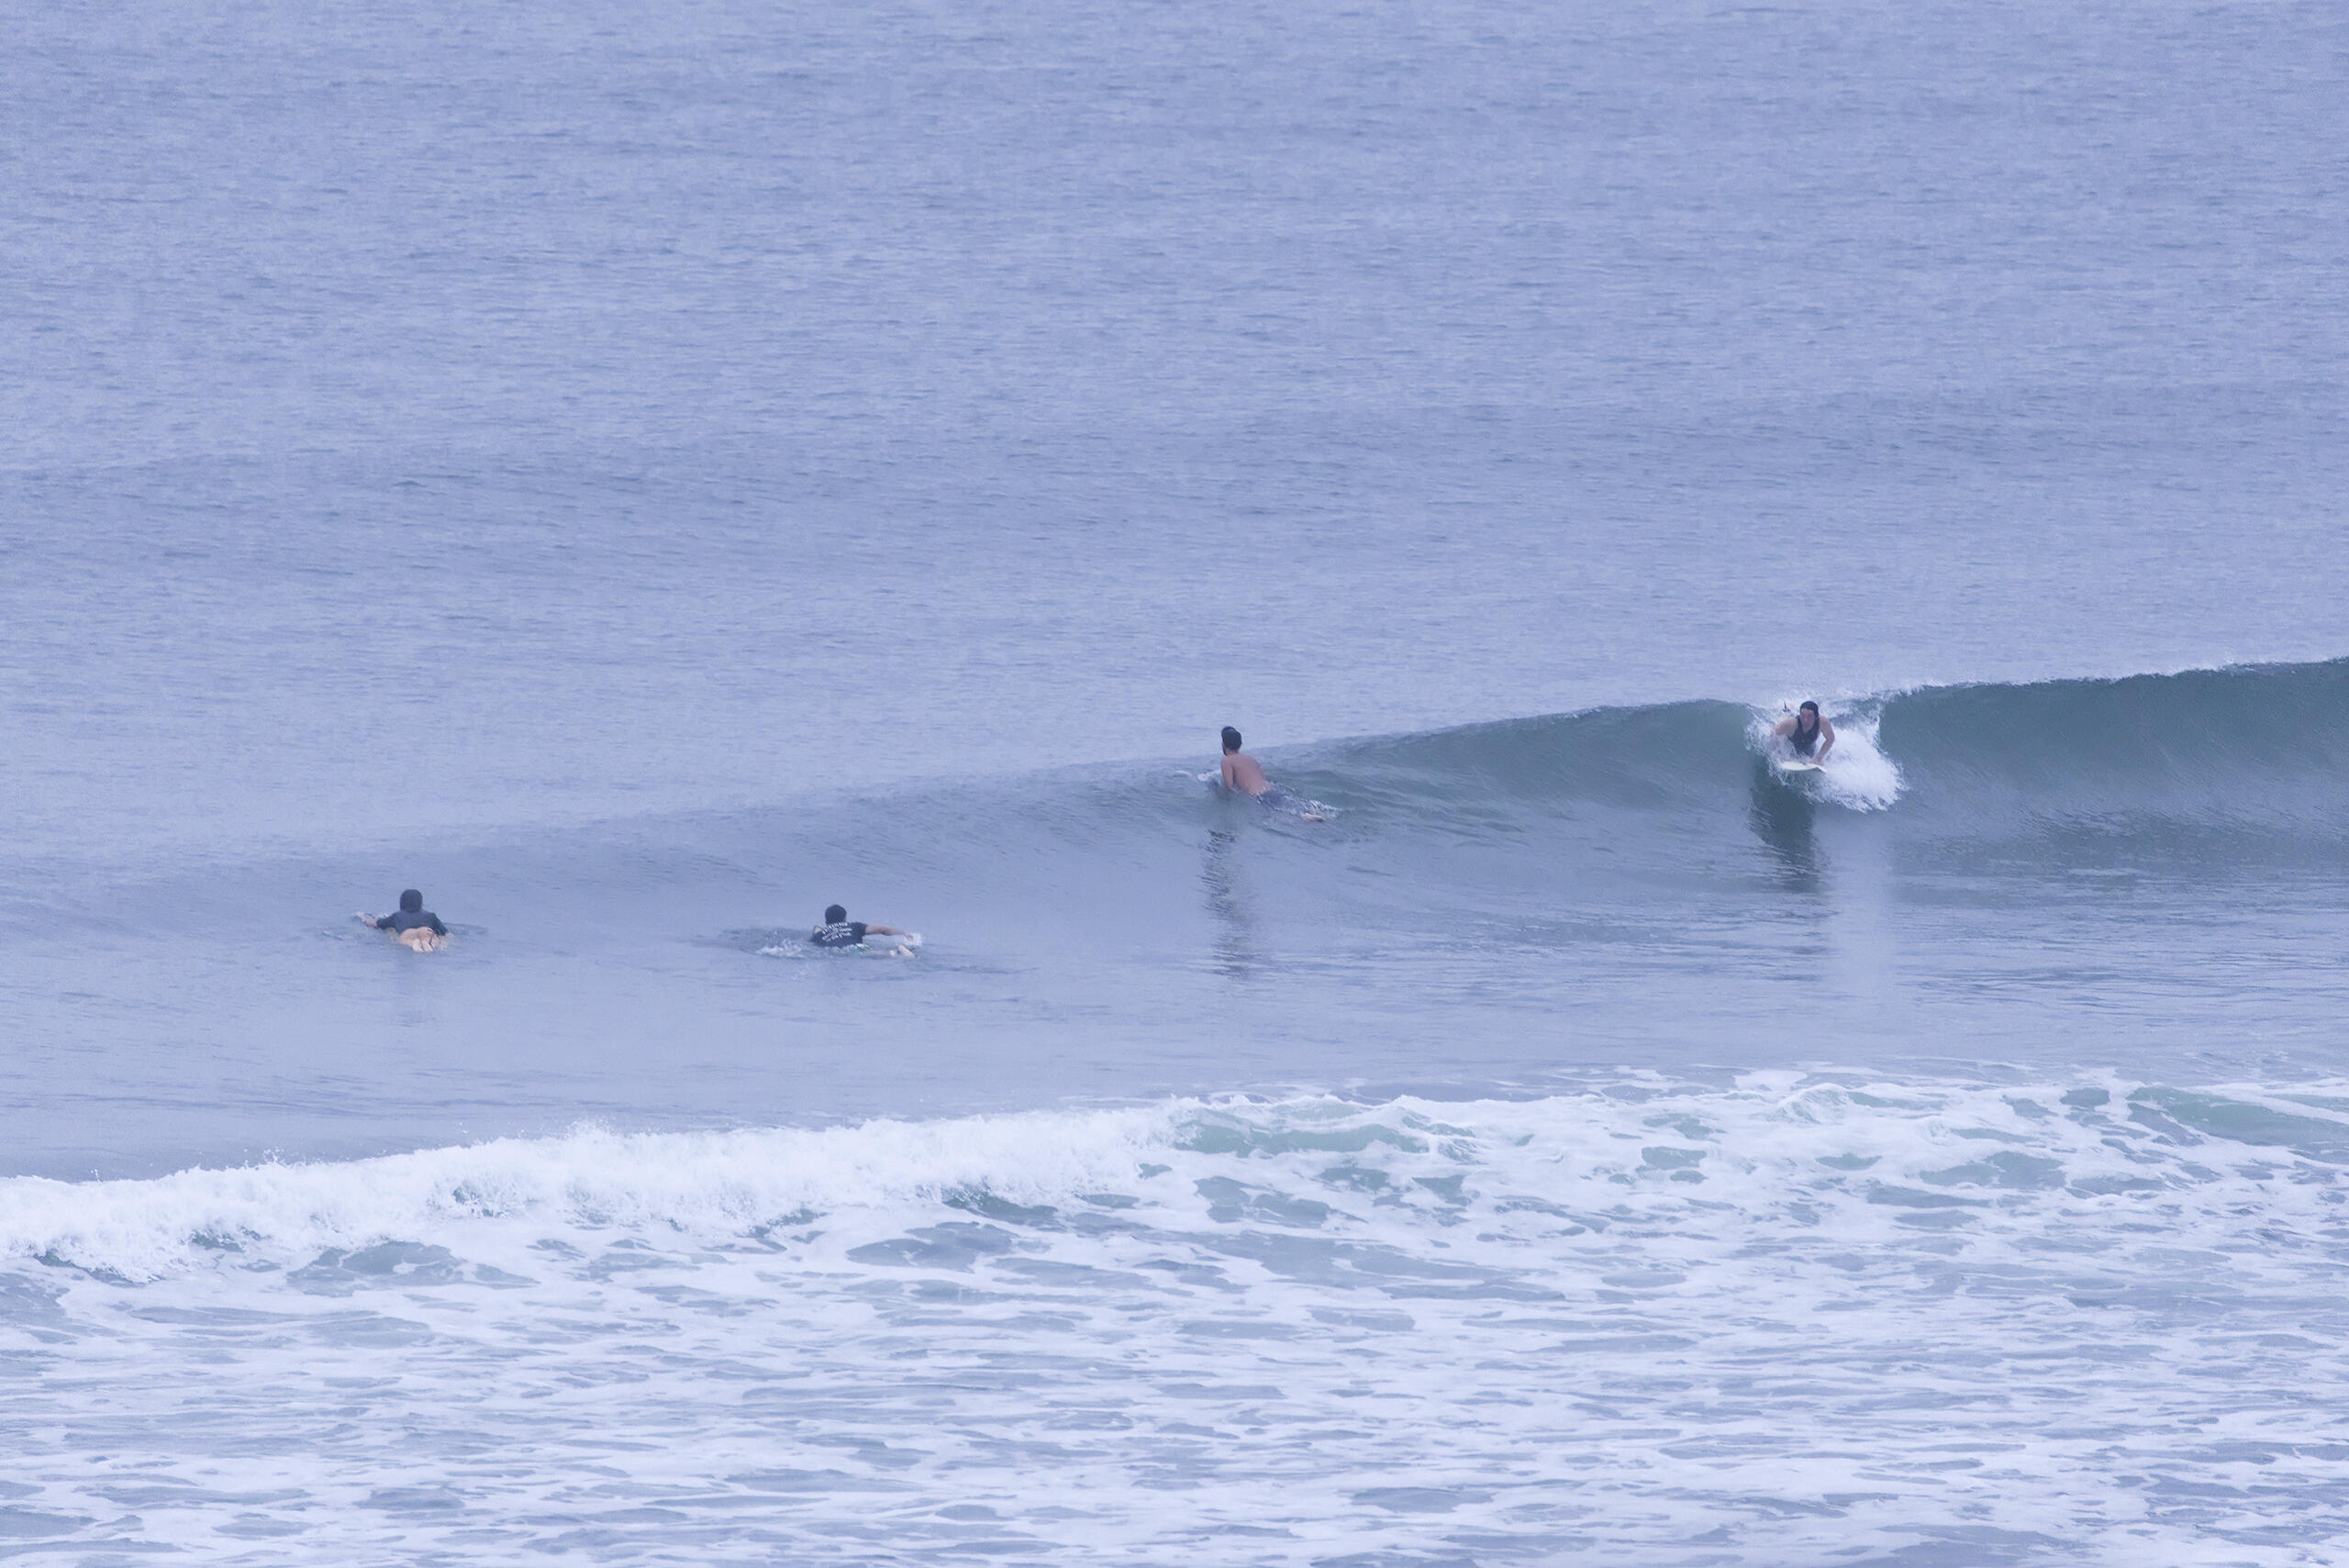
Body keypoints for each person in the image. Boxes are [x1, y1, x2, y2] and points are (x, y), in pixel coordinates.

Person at [1219, 727, 1328, 820]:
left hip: (1258, 795)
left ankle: (1305, 817)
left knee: (1283, 814)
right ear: (1240, 744)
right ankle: (1312, 814)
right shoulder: (1251, 759)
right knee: (1289, 806)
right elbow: (1262, 777)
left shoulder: (1226, 760)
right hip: (1270, 789)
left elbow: (1229, 786)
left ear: (1224, 744)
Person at [358, 889, 449, 950]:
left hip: (408, 934)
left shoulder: (397, 916)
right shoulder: (431, 915)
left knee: (409, 943)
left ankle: (415, 943)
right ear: (421, 903)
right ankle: (429, 944)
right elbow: (447, 934)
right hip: (426, 931)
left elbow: (376, 924)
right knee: (432, 941)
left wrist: (364, 918)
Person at [810, 905, 914, 954]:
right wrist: (903, 933)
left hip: (838, 952)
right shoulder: (854, 926)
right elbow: (882, 929)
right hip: (858, 947)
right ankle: (899, 951)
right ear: (844, 919)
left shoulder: (818, 935)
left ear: (826, 921)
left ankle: (895, 953)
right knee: (879, 953)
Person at [1772, 701, 1836, 762]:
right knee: (1784, 718)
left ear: (1816, 716)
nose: (1805, 720)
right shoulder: (1792, 723)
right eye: (1802, 715)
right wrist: (1780, 755)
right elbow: (1773, 733)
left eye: (1810, 716)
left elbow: (1830, 739)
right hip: (1789, 745)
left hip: (1809, 745)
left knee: (1810, 753)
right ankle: (1787, 710)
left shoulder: (1822, 722)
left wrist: (1818, 758)